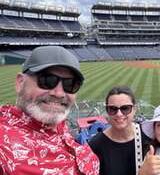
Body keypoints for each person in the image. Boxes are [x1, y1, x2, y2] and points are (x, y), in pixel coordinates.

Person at [0, 46, 99, 174]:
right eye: (47, 80)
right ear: (20, 83)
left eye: (70, 84)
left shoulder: (60, 126)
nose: (59, 93)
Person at [89, 86, 151, 175]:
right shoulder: (96, 145)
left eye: (125, 108)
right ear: (107, 110)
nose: (119, 114)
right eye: (112, 109)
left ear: (134, 109)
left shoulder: (148, 138)